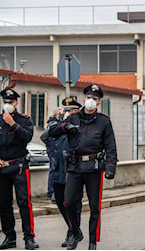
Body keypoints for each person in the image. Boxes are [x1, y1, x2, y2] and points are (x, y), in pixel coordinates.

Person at [49, 84, 117, 250]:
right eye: (88, 97)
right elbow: (53, 132)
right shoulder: (73, 118)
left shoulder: (104, 121)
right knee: (69, 201)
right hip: (75, 167)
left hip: (94, 167)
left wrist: (110, 167)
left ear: (99, 102)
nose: (91, 101)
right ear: (84, 99)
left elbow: (111, 147)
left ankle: (93, 241)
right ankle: (75, 231)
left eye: (95, 98)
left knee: (95, 206)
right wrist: (66, 126)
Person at [0, 82, 39, 250]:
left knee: (24, 202)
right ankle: (9, 237)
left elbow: (27, 137)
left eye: (11, 101)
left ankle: (29, 237)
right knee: (4, 204)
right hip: (2, 168)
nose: (7, 104)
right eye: (5, 101)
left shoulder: (24, 120)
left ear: (16, 103)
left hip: (20, 167)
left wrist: (12, 124)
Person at [43, 97, 82, 248]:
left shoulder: (78, 125)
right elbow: (47, 136)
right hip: (59, 169)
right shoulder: (58, 125)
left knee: (73, 203)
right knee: (60, 201)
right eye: (65, 110)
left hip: (74, 170)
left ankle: (72, 232)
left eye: (70, 110)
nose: (67, 113)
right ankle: (72, 229)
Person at [40, 107, 63, 203]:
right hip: (54, 151)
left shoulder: (54, 123)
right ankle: (52, 192)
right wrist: (51, 146)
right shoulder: (53, 124)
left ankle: (53, 192)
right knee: (54, 170)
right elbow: (44, 136)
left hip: (55, 150)